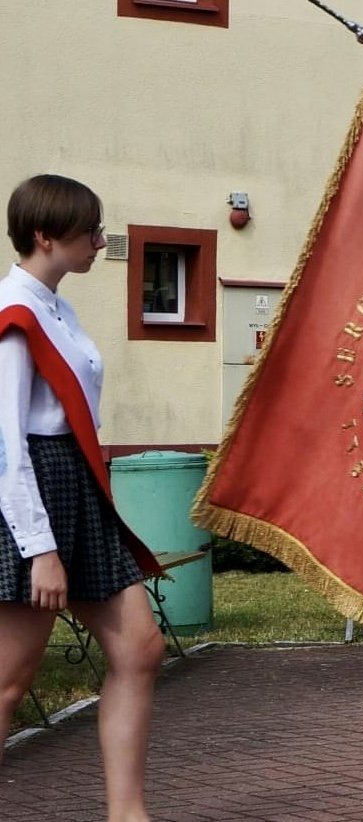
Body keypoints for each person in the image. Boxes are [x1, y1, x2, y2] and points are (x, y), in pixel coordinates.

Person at [0, 175, 165, 822]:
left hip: (76, 480)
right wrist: (39, 548)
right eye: (89, 231)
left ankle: (128, 816)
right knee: (10, 681)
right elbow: (6, 442)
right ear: (45, 235)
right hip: (33, 491)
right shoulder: (14, 310)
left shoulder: (55, 305)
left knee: (139, 648)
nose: (101, 241)